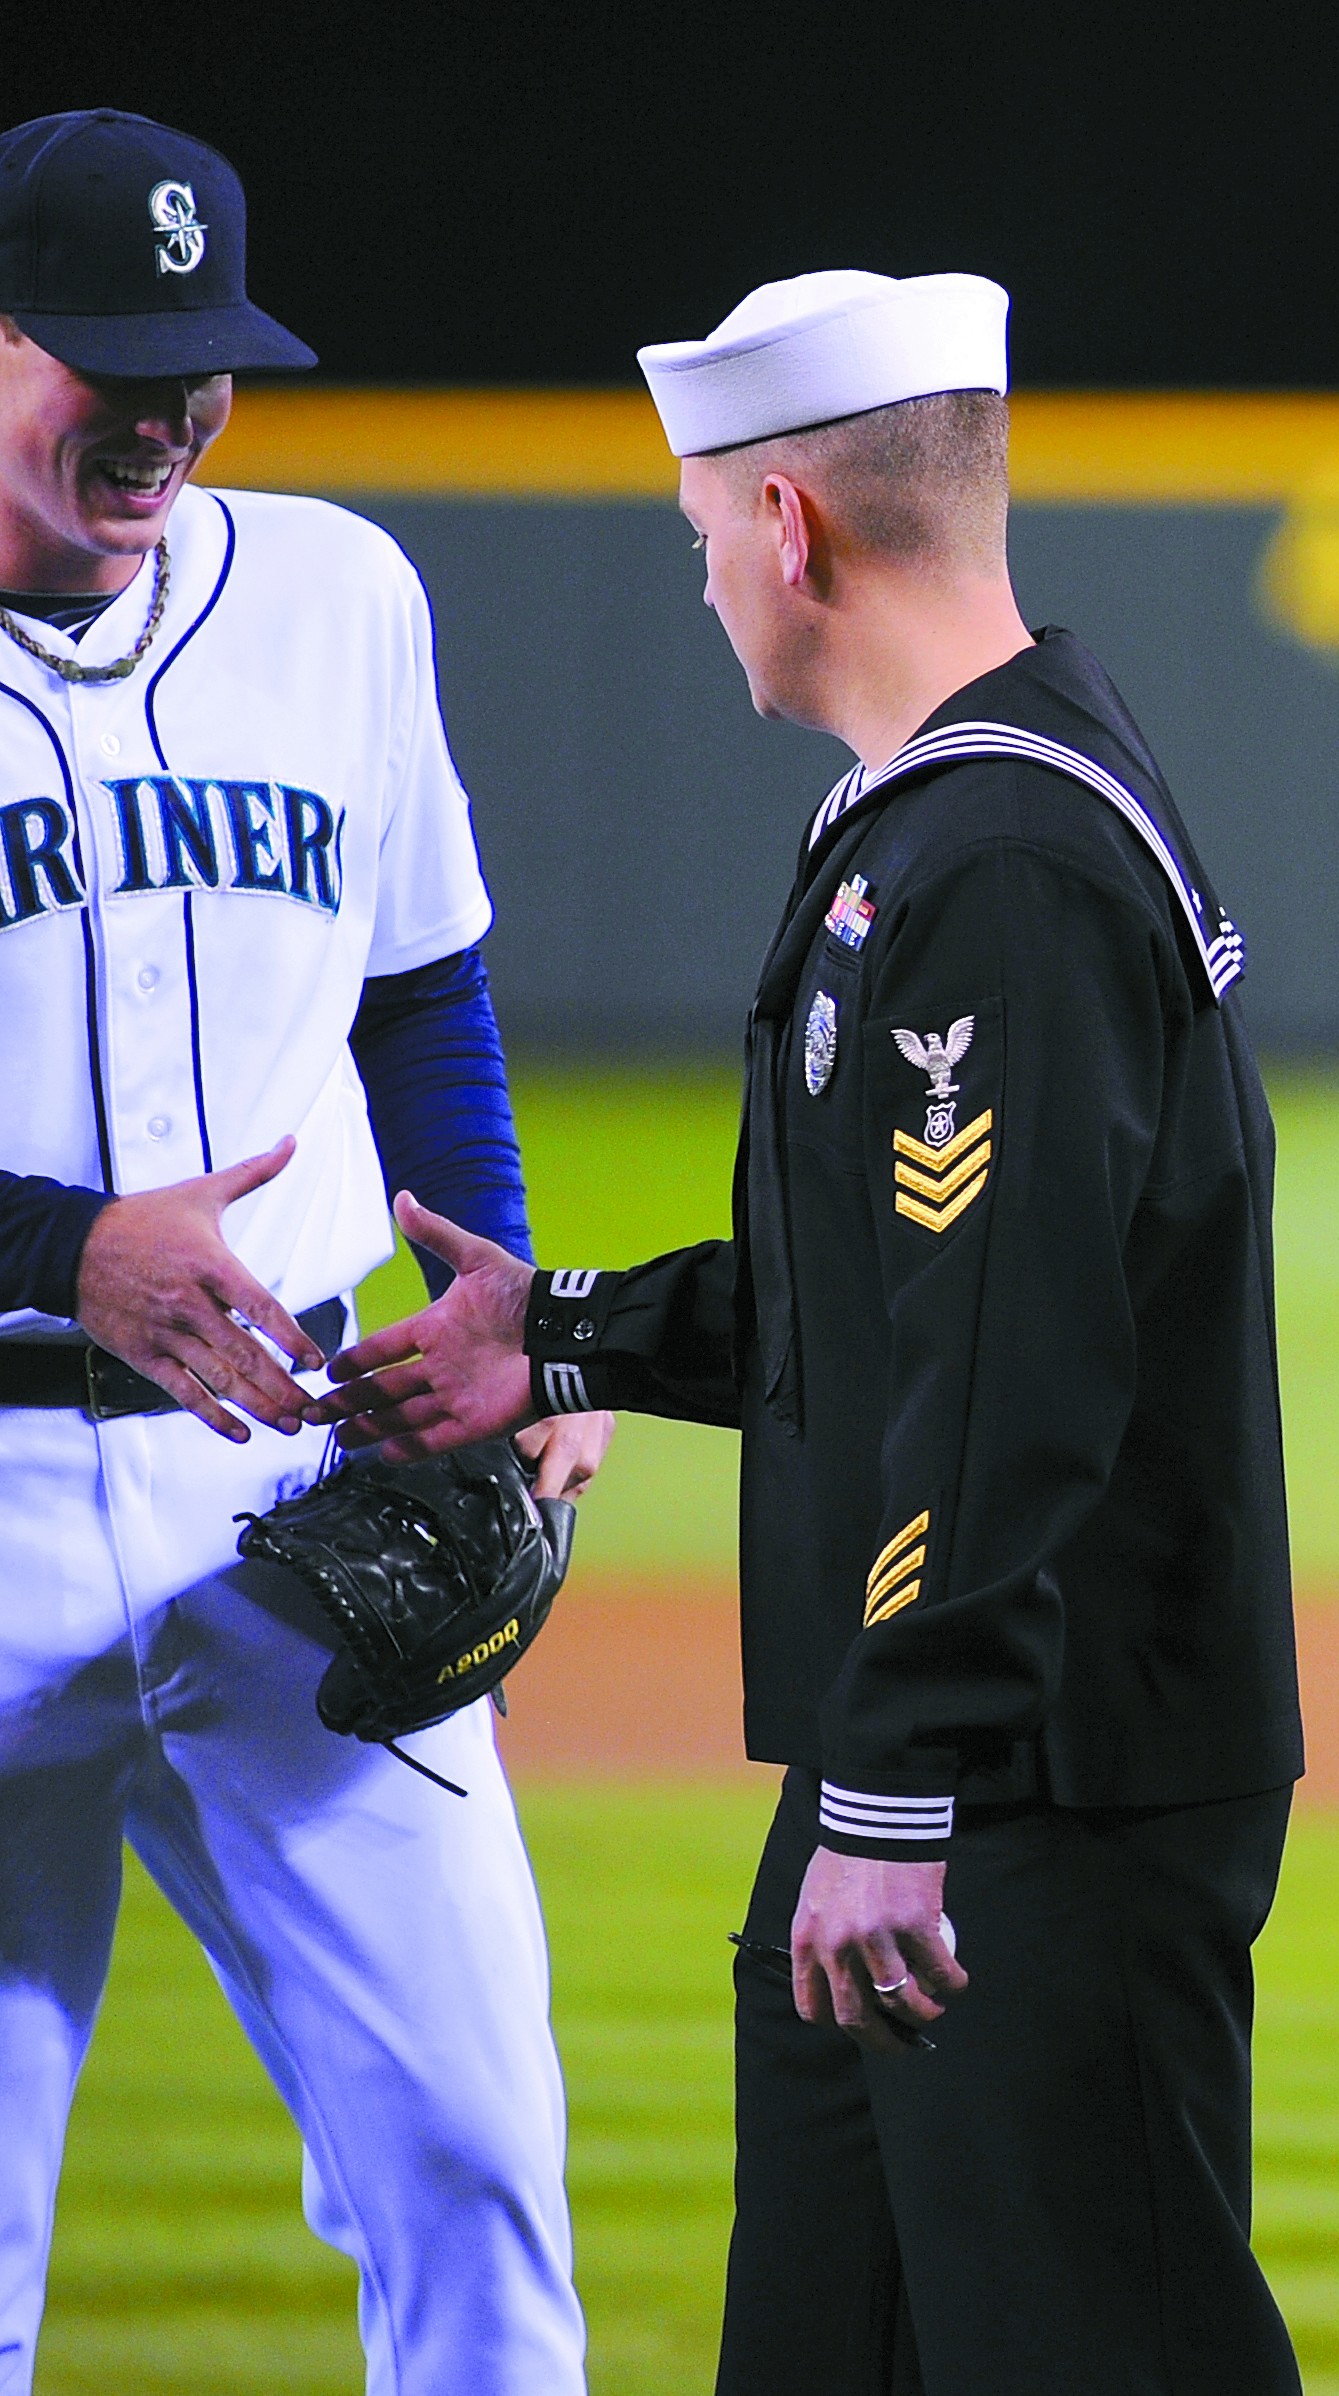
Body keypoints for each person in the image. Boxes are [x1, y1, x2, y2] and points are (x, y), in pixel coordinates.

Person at [313, 270, 1302, 2395]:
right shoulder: (956, 808)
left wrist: (898, 1788)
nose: (701, 591)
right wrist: (561, 1336)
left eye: (696, 541)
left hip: (1031, 1784)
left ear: (789, 527)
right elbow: (885, 1289)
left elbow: (1007, 1365)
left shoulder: (1006, 854)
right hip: (958, 1753)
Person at [0, 107, 609, 2393]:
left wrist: (514, 1311)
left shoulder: (340, 595)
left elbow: (423, 986)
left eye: (206, 360)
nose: (165, 409)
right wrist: (63, 1248)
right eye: (107, 353)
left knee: (476, 2160)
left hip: (306, 1503)